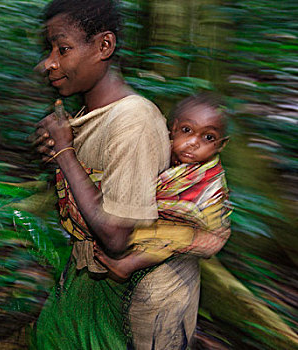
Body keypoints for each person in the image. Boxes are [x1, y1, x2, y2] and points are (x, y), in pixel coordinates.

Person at [31, 0, 216, 348]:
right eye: (49, 50)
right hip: (87, 283)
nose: (49, 63)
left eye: (63, 48)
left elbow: (115, 239)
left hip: (133, 305)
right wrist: (58, 157)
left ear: (104, 46)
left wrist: (65, 153)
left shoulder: (133, 121)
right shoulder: (92, 113)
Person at [94, 93, 232, 282]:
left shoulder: (211, 179)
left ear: (221, 145)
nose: (193, 143)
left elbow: (211, 222)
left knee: (180, 236)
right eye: (186, 130)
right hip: (145, 218)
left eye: (208, 137)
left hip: (188, 230)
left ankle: (128, 265)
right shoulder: (157, 151)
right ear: (174, 129)